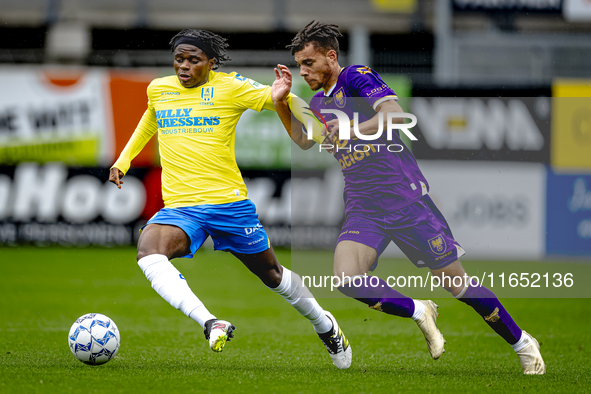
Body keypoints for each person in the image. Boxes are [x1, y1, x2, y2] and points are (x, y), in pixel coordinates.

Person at [271, 20, 545, 375]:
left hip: (405, 201)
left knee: (456, 283)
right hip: (363, 206)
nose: (303, 71)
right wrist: (280, 103)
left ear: (331, 56)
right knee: (347, 279)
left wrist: (352, 129)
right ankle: (419, 310)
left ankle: (523, 343)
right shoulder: (320, 101)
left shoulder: (356, 76)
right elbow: (305, 140)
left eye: (308, 63)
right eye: (299, 64)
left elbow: (395, 115)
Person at [108, 28, 351, 369]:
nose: (184, 67)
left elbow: (277, 97)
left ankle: (324, 325)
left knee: (273, 276)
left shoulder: (230, 86)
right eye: (179, 59)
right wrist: (124, 159)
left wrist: (302, 109)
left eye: (193, 60)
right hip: (181, 207)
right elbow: (150, 119)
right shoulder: (159, 89)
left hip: (228, 205)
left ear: (211, 62)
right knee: (149, 251)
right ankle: (210, 322)